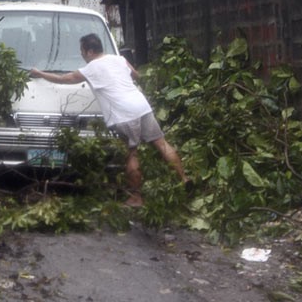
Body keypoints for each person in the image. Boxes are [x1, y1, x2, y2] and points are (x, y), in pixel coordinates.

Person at [29, 33, 190, 207]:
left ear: (90, 51)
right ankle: (184, 179)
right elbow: (136, 75)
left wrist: (39, 73)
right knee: (162, 144)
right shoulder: (119, 59)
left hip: (124, 114)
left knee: (132, 153)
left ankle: (136, 197)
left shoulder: (90, 68)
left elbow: (63, 79)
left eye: (82, 51)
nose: (82, 55)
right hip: (141, 106)